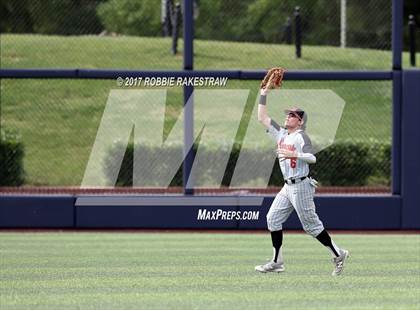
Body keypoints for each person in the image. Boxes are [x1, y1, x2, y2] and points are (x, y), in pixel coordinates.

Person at [255, 71, 349, 276]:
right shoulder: (282, 134)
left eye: (292, 115)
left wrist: (294, 153)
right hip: (288, 186)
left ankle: (339, 254)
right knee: (272, 218)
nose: (287, 116)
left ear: (300, 121)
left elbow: (312, 158)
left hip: (301, 185)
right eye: (288, 114)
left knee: (311, 226)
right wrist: (263, 93)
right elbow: (262, 117)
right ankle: (277, 261)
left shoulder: (300, 136)